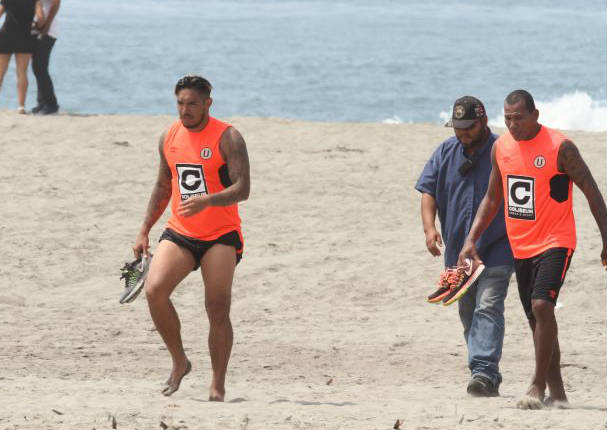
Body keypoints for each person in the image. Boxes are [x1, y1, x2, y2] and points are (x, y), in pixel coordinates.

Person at [458, 89, 607, 409]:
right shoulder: (501, 148)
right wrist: (471, 239)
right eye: (507, 119)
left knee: (541, 305)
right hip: (521, 246)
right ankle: (560, 394)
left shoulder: (560, 147)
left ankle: (537, 386)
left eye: (519, 118)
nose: (512, 125)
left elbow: (592, 192)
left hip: (557, 240)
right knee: (536, 318)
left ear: (535, 115)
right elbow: (492, 198)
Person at [132, 75, 250, 401]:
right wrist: (144, 230)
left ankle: (217, 384)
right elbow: (163, 186)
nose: (185, 110)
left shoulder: (228, 137)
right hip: (181, 231)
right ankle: (179, 361)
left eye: (192, 104)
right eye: (180, 103)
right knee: (155, 291)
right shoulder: (169, 136)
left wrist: (208, 200)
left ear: (208, 104)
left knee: (217, 306)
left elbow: (243, 188)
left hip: (220, 234)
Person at [415, 96, 513, 397]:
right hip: (458, 252)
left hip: (497, 247)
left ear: (483, 122)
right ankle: (486, 375)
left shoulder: (504, 150)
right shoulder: (445, 151)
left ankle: (482, 370)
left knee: (489, 307)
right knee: (468, 313)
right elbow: (428, 190)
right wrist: (430, 228)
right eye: (458, 128)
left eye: (468, 127)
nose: (462, 134)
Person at [0, 0, 44, 113]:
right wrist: (38, 27)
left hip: (6, 35)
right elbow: (41, 18)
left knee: (1, 72)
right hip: (25, 36)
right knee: (22, 73)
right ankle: (21, 106)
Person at [31, 0, 59, 115]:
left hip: (48, 31)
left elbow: (56, 4)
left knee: (40, 66)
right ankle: (42, 102)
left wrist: (46, 28)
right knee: (37, 67)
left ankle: (51, 104)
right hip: (37, 30)